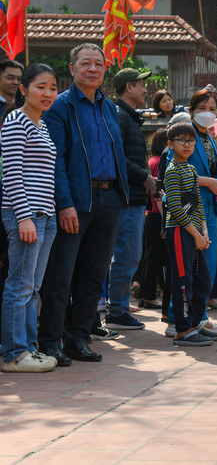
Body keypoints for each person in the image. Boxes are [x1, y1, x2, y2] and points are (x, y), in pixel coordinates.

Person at [39, 43, 130, 366]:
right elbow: (56, 160)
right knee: (60, 275)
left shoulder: (108, 107)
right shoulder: (61, 106)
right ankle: (50, 341)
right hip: (76, 201)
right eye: (86, 63)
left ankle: (78, 337)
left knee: (94, 275)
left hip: (109, 200)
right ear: (73, 68)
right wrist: (64, 203)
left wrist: (122, 195)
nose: (93, 69)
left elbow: (116, 152)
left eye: (99, 64)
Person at [1, 63, 59, 373]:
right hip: (25, 214)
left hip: (45, 215)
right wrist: (23, 217)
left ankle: (28, 348)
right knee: (19, 286)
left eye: (52, 87)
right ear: (24, 89)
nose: (48, 93)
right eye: (41, 86)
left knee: (33, 287)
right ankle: (13, 354)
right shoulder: (15, 121)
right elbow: (11, 172)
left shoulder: (42, 125)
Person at [166, 88, 217, 335]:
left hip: (209, 209)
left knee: (206, 267)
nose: (208, 113)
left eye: (213, 109)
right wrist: (210, 183)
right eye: (202, 108)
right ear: (191, 110)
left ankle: (199, 315)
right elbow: (177, 171)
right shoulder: (185, 135)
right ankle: (179, 319)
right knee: (188, 268)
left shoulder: (211, 139)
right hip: (188, 210)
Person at [106, 68, 157, 331]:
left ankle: (118, 305)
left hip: (133, 197)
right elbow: (117, 157)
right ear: (128, 87)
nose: (146, 90)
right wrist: (144, 178)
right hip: (126, 197)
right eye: (141, 85)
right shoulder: (119, 116)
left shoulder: (128, 118)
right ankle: (116, 310)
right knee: (126, 255)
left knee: (129, 255)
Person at [163, 122, 216, 346]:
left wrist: (203, 231)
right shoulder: (173, 171)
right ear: (170, 144)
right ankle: (183, 330)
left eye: (191, 141)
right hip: (179, 231)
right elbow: (175, 207)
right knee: (183, 281)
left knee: (202, 279)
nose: (187, 145)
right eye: (181, 141)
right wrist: (195, 234)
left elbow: (196, 204)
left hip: (195, 232)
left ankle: (195, 324)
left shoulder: (191, 169)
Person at [139, 128, 168, 310]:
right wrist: (166, 220)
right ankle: (148, 296)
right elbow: (158, 194)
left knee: (151, 257)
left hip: (151, 215)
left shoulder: (152, 160)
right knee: (155, 258)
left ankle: (146, 294)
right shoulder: (158, 162)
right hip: (158, 215)